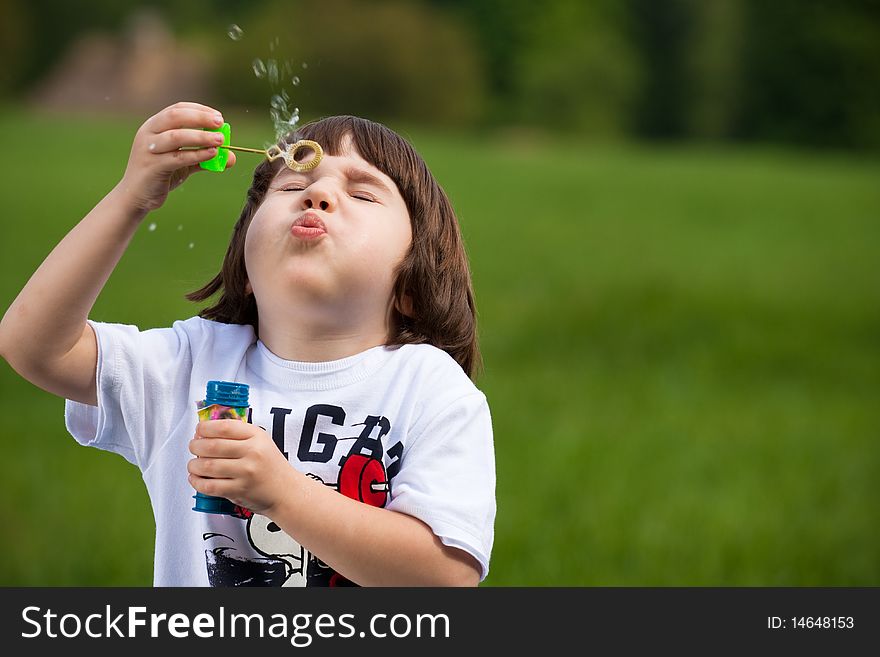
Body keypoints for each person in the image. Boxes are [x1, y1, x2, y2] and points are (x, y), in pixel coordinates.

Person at [0, 101, 495, 587]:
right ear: (247, 269)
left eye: (363, 194)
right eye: (294, 184)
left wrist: (284, 495)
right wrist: (132, 198)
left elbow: (445, 578)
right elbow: (34, 346)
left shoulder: (431, 389)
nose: (317, 193)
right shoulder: (191, 365)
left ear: (412, 286)